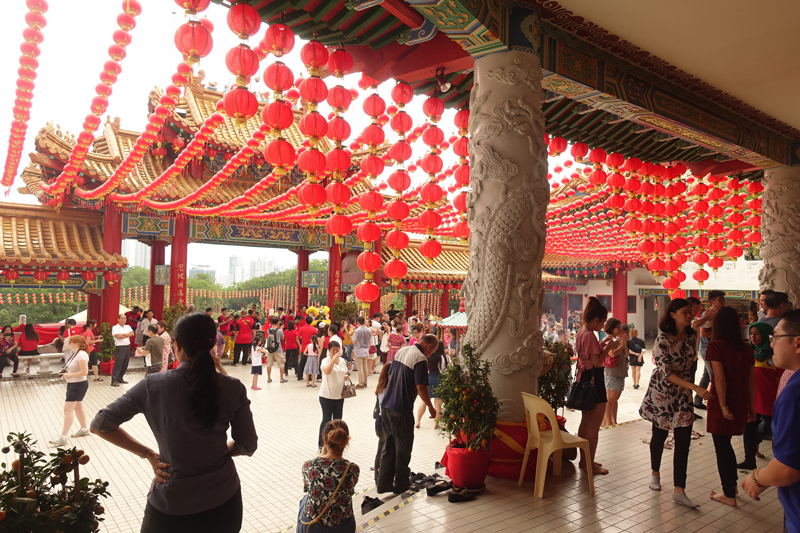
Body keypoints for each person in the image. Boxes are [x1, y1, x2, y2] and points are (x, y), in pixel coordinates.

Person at [91, 312, 257, 532]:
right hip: (224, 500)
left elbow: (100, 424)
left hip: (172, 503)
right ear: (212, 343)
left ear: (177, 344)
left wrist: (148, 454)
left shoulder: (154, 385)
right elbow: (247, 445)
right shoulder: (232, 386)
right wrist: (218, 451)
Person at [640, 298, 712, 509]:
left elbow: (691, 364)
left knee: (683, 439)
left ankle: (679, 489)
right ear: (673, 314)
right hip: (663, 392)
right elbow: (668, 373)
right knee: (660, 433)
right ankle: (655, 474)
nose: (690, 315)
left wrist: (692, 387)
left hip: (684, 393)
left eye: (691, 312)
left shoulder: (691, 335)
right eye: (685, 312)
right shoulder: (662, 339)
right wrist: (696, 388)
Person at [740, 309, 800, 531]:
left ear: (798, 343)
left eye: (776, 337)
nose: (772, 343)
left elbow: (788, 469)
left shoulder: (794, 393)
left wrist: (757, 478)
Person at [705, 306, 755, 506]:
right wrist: (752, 406)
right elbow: (751, 380)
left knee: (722, 446)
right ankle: (731, 486)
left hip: (722, 400)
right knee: (726, 445)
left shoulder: (715, 346)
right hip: (741, 398)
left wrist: (723, 406)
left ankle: (728, 494)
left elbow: (721, 379)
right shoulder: (746, 347)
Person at [377, 334, 437, 495]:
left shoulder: (402, 351)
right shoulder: (420, 358)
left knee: (388, 446)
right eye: (432, 351)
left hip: (386, 405)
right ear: (429, 346)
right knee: (403, 447)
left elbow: (391, 376)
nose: (430, 355)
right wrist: (431, 407)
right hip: (401, 409)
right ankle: (401, 484)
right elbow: (421, 387)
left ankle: (384, 484)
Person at [575, 297, 614, 476]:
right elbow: (597, 361)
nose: (603, 326)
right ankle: (589, 463)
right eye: (603, 322)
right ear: (596, 319)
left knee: (585, 422)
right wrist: (609, 346)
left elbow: (588, 355)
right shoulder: (591, 334)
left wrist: (602, 345)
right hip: (594, 381)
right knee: (594, 426)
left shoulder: (581, 332)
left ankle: (584, 460)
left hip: (583, 380)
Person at [299, 420, 359, 533]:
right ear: (346, 442)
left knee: (305, 499)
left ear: (325, 441)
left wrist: (323, 452)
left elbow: (308, 489)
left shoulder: (308, 465)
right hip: (342, 527)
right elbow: (349, 492)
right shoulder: (353, 469)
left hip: (312, 527)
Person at [739, 322, 778, 469]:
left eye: (757, 334)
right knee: (748, 431)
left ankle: (780, 463)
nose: (753, 337)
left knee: (775, 434)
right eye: (751, 334)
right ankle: (749, 459)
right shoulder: (748, 353)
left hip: (770, 403)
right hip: (752, 401)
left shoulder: (775, 355)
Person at [49, 335, 91, 446]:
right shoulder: (75, 354)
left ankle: (63, 437)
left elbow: (84, 372)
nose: (68, 344)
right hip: (73, 384)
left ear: (77, 343)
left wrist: (69, 374)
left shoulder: (82, 355)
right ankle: (84, 428)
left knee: (67, 410)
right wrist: (66, 371)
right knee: (78, 407)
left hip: (78, 385)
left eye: (70, 342)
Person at [693, 290, 726, 411]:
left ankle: (697, 400)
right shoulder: (707, 314)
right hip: (708, 349)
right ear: (712, 301)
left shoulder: (721, 313)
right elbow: (703, 333)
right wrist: (722, 335)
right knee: (715, 376)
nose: (723, 302)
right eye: (720, 300)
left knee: (707, 375)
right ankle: (718, 403)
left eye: (723, 299)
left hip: (716, 348)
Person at [318, 340, 349, 449]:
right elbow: (326, 371)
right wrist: (333, 360)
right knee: (326, 420)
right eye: (333, 350)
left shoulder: (342, 361)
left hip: (339, 395)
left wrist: (346, 376)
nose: (335, 352)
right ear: (329, 351)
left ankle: (336, 444)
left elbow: (344, 372)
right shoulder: (325, 361)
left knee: (338, 420)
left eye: (337, 350)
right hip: (326, 395)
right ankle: (322, 444)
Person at [414, 341, 449, 428]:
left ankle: (417, 421)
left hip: (428, 379)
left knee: (424, 401)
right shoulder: (445, 358)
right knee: (438, 403)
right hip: (441, 380)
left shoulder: (427, 357)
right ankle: (436, 424)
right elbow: (449, 370)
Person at [602, 320, 628, 428]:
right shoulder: (608, 340)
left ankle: (614, 420)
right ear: (611, 328)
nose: (620, 329)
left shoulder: (618, 340)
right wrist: (622, 346)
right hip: (611, 373)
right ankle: (608, 422)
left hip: (621, 372)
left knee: (615, 399)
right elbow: (612, 354)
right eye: (618, 327)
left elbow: (626, 355)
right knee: (610, 399)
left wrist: (624, 344)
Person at [111, 314, 134, 387]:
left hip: (127, 346)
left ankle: (120, 378)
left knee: (125, 363)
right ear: (118, 319)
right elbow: (118, 336)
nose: (124, 320)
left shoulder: (128, 326)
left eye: (125, 318)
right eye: (122, 318)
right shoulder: (115, 327)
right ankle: (114, 380)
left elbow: (132, 334)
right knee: (118, 364)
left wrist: (123, 335)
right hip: (120, 347)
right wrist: (127, 334)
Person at [265, 316, 286, 384]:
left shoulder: (268, 330)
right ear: (278, 322)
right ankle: (281, 378)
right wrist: (282, 328)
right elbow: (282, 338)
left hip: (270, 349)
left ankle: (268, 378)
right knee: (281, 364)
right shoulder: (279, 330)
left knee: (269, 363)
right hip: (278, 349)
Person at [353, 317, 372, 389]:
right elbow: (369, 340)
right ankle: (365, 382)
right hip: (366, 350)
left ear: (357, 322)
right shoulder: (369, 330)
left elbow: (353, 341)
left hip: (358, 350)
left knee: (360, 367)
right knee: (365, 366)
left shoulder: (357, 330)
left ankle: (361, 383)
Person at [297, 316, 317, 381]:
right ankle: (310, 377)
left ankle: (299, 376)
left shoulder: (302, 328)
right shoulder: (314, 329)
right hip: (312, 348)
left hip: (304, 347)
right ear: (312, 321)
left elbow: (298, 336)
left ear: (305, 321)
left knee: (302, 362)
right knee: (311, 362)